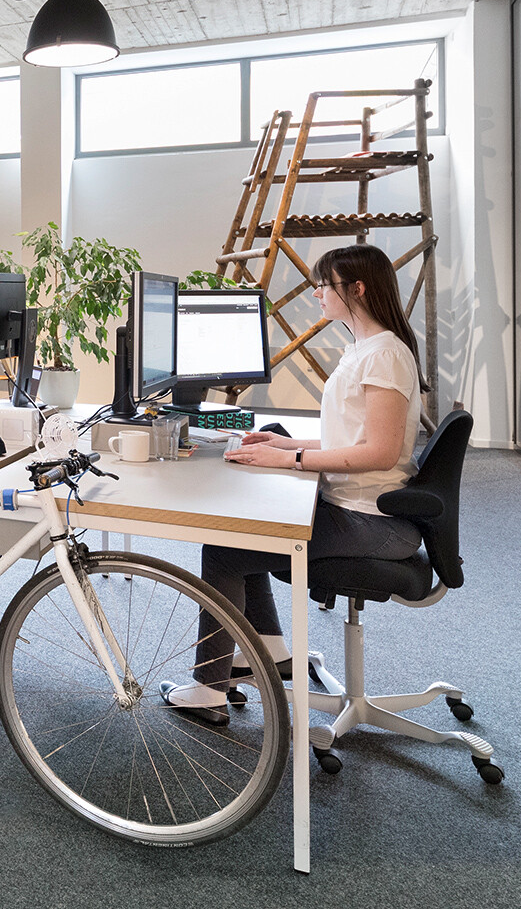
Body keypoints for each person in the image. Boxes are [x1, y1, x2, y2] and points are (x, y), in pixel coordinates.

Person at [161, 244, 424, 720]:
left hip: (374, 520)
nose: (317, 293)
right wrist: (283, 444)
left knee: (222, 550)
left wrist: (293, 459)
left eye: (324, 285)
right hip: (362, 507)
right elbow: (353, 432)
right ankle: (272, 649)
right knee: (249, 526)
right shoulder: (367, 347)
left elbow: (381, 452)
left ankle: (209, 689)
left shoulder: (384, 355)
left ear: (357, 289)